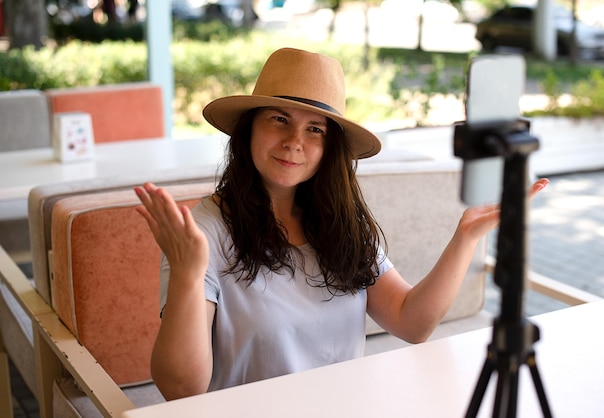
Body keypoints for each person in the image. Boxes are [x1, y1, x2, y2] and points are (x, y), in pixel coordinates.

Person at [135, 47, 548, 400]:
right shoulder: (204, 230)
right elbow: (182, 390)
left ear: (330, 147)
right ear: (248, 129)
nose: (295, 140)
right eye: (279, 119)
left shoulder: (341, 223)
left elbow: (412, 321)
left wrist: (467, 236)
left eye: (314, 129)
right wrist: (188, 274)